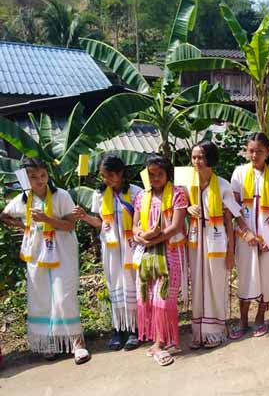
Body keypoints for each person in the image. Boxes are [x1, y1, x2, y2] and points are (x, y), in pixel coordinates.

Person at [0, 158, 90, 364]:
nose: (40, 180)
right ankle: (51, 343)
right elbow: (4, 215)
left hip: (62, 251)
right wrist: (25, 226)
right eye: (33, 177)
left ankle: (77, 343)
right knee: (41, 298)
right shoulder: (23, 200)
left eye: (43, 175)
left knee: (64, 297)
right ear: (25, 179)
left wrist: (46, 219)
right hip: (36, 253)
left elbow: (70, 225)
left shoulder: (61, 195)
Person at [73, 155, 143, 351]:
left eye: (109, 175)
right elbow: (99, 222)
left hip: (130, 246)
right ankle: (118, 329)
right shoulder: (99, 195)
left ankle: (134, 329)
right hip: (110, 248)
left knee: (132, 284)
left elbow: (141, 220)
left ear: (120, 173)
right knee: (115, 286)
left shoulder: (136, 192)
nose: (106, 179)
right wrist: (84, 216)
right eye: (103, 176)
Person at [132, 156, 188, 366]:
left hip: (170, 252)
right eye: (151, 174)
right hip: (146, 254)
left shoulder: (177, 194)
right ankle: (157, 339)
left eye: (160, 174)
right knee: (148, 297)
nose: (155, 178)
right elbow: (135, 225)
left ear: (167, 174)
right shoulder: (141, 196)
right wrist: (140, 236)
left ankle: (161, 343)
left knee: (163, 298)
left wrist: (153, 239)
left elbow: (176, 226)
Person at [229, 133, 269, 339]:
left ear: (268, 152)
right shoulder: (239, 173)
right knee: (245, 275)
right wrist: (246, 231)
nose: (254, 155)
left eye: (259, 151)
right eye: (251, 151)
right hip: (245, 235)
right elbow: (235, 206)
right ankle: (243, 320)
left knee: (266, 276)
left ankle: (260, 318)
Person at [187, 142, 240, 349]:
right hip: (195, 241)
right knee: (197, 285)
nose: (196, 162)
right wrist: (188, 207)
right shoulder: (186, 183)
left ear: (210, 158)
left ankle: (215, 332)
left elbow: (229, 221)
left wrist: (231, 252)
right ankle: (198, 333)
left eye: (200, 157)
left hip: (216, 240)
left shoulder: (224, 186)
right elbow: (177, 208)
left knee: (216, 284)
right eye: (193, 157)